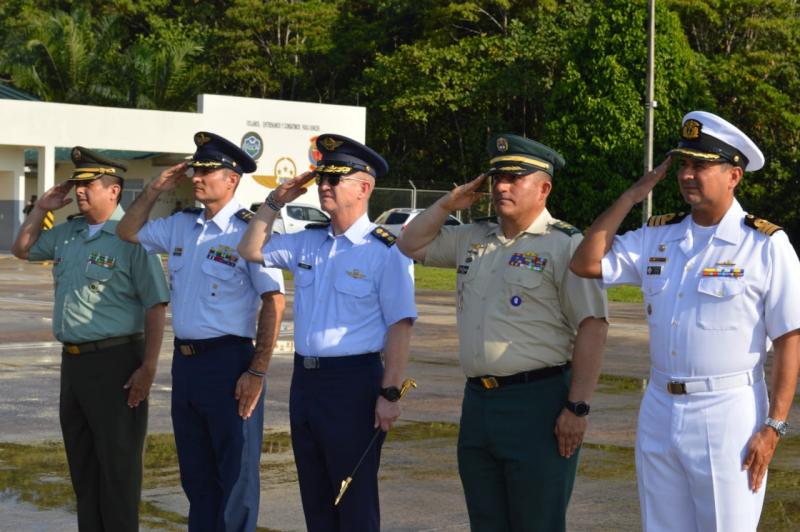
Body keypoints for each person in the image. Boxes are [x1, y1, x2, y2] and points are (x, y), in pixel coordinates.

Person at [569, 110, 800, 531]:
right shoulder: (659, 235)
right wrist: (631, 198)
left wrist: (774, 426)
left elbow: (789, 340)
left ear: (734, 175)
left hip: (728, 411)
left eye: (702, 164)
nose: (688, 174)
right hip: (659, 405)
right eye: (684, 164)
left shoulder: (765, 245)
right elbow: (586, 263)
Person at [397, 133, 609, 531]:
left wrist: (577, 408)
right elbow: (409, 244)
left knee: (536, 523)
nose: (500, 187)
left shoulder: (564, 244)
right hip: (479, 403)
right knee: (486, 522)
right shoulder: (475, 237)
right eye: (496, 178)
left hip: (538, 403)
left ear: (544, 188)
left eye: (514, 178)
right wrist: (448, 203)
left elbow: (592, 327)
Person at [237, 134, 416, 532]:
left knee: (353, 503)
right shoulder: (308, 242)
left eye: (335, 180)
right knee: (316, 501)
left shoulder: (386, 250)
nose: (324, 186)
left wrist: (390, 393)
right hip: (307, 382)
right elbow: (250, 249)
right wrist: (274, 201)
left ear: (364, 188)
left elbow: (400, 325)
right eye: (322, 179)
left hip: (353, 385)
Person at [116, 132, 286, 531]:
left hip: (230, 364)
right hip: (187, 364)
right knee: (197, 477)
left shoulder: (250, 230)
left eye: (208, 171)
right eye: (196, 169)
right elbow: (127, 231)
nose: (197, 177)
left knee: (236, 478)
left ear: (232, 179)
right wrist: (155, 188)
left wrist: (257, 371)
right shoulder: (180, 226)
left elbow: (274, 301)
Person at [11, 147, 170, 532]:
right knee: (84, 469)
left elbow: (155, 304)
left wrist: (148, 367)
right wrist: (40, 208)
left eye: (90, 185)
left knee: (118, 472)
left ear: (113, 191)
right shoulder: (69, 234)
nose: (81, 192)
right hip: (76, 363)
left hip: (117, 362)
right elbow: (23, 249)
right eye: (78, 185)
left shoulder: (132, 237)